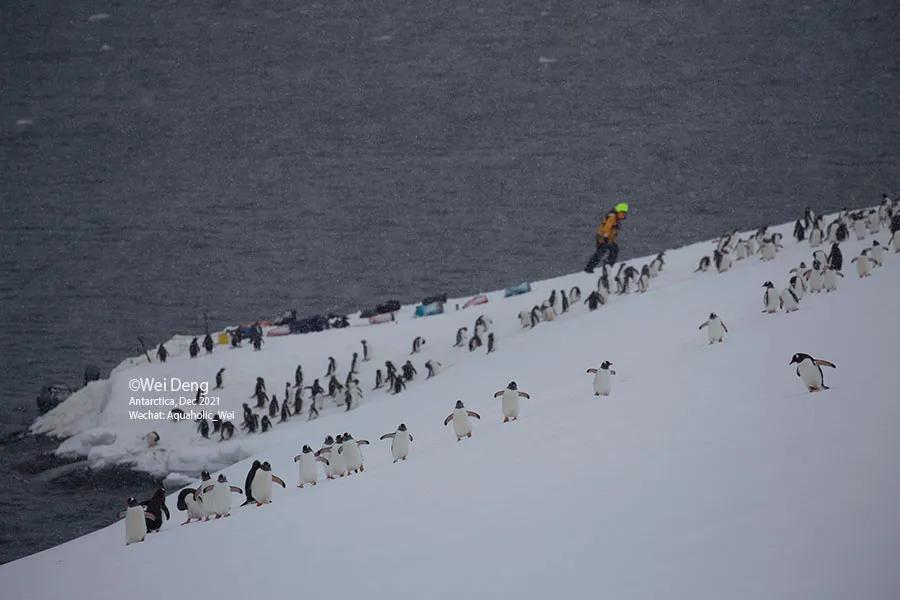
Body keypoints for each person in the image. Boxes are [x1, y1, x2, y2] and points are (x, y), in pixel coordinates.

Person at [585, 202, 629, 273]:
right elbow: (607, 228)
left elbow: (612, 231)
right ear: (619, 212)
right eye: (623, 213)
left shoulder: (615, 218)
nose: (624, 215)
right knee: (601, 253)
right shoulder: (612, 217)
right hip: (604, 238)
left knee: (610, 251)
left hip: (608, 239)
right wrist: (605, 237)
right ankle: (592, 268)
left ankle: (606, 266)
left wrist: (611, 239)